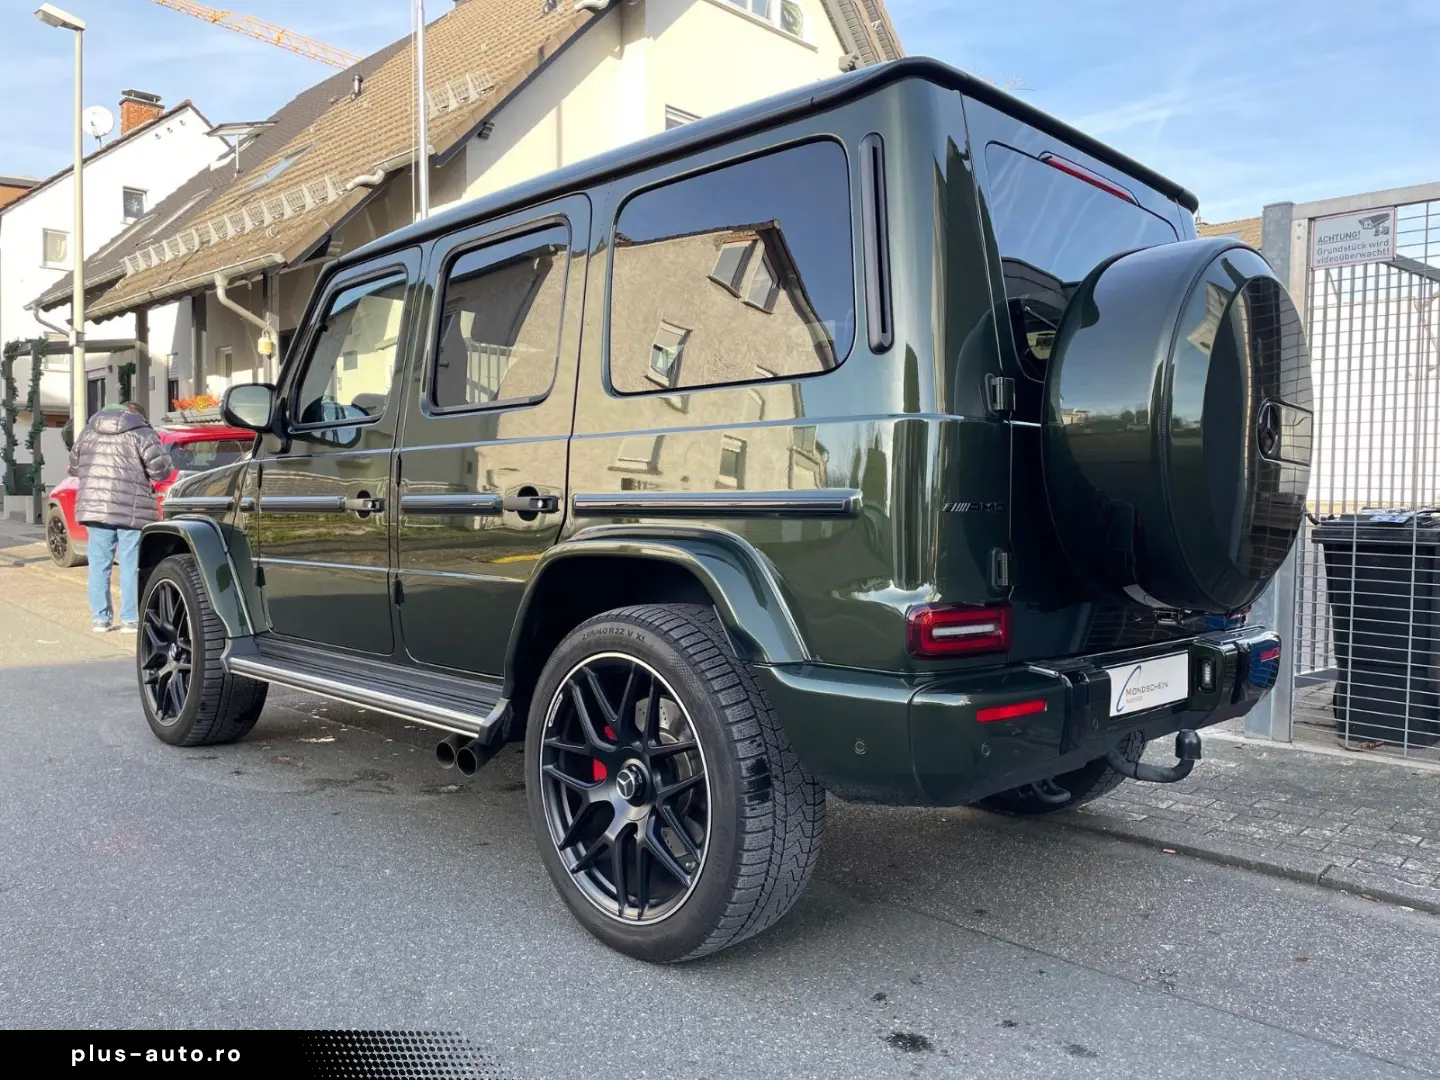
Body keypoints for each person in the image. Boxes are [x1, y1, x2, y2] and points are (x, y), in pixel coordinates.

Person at [68, 401, 173, 632]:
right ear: (139, 416)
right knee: (130, 565)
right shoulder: (143, 432)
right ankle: (130, 619)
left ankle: (100, 618)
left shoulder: (89, 431)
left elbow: (74, 466)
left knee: (98, 565)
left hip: (95, 506)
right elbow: (161, 471)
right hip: (132, 508)